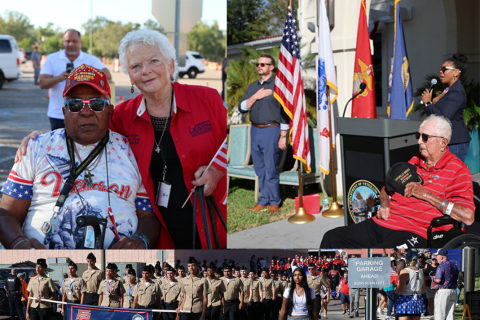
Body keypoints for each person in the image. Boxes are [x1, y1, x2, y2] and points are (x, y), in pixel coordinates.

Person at [0, 64, 160, 249]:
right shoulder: (37, 148)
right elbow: (6, 213)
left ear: (110, 111)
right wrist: (19, 244)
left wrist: (141, 241)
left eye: (97, 104)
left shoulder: (132, 151)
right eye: (75, 104)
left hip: (118, 269)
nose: (86, 111)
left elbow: (149, 216)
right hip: (43, 267)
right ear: (64, 113)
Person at [321, 115, 475, 248]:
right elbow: (386, 189)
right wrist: (385, 204)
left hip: (416, 231)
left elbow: (467, 216)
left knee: (379, 257)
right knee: (331, 238)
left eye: (425, 137)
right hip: (383, 223)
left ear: (443, 143)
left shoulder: (457, 170)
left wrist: (426, 195)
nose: (420, 141)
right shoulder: (414, 160)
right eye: (418, 136)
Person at [238, 54, 289, 214]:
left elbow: (285, 111)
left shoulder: (278, 86)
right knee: (259, 168)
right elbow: (242, 107)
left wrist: (283, 135)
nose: (259, 66)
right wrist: (256, 96)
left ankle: (274, 201)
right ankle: (264, 200)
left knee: (270, 167)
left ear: (271, 67)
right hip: (255, 130)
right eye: (258, 64)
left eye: (263, 64)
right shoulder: (253, 87)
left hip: (271, 130)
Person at [39, 29, 111, 130]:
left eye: (75, 41)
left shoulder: (90, 59)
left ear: (81, 43)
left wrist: (82, 76)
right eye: (68, 41)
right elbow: (42, 83)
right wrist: (59, 78)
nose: (71, 44)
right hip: (58, 114)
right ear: (63, 42)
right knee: (60, 145)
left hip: (84, 113)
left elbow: (107, 75)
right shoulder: (52, 58)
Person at [422, 54, 470, 162]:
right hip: (446, 140)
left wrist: (428, 103)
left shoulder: (456, 90)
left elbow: (444, 117)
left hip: (455, 142)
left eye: (444, 69)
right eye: (440, 69)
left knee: (452, 176)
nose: (441, 72)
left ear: (456, 72)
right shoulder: (448, 90)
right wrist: (431, 103)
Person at [394, 251, 426, 320]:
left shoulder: (404, 271)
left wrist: (396, 290)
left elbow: (401, 290)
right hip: (417, 300)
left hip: (405, 300)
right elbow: (423, 290)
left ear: (407, 260)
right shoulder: (421, 271)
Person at [433, 249, 458, 320]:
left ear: (441, 257)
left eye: (437, 256)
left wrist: (433, 278)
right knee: (450, 314)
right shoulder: (453, 265)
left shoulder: (441, 265)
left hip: (444, 291)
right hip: (453, 290)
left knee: (440, 314)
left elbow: (438, 280)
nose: (436, 258)